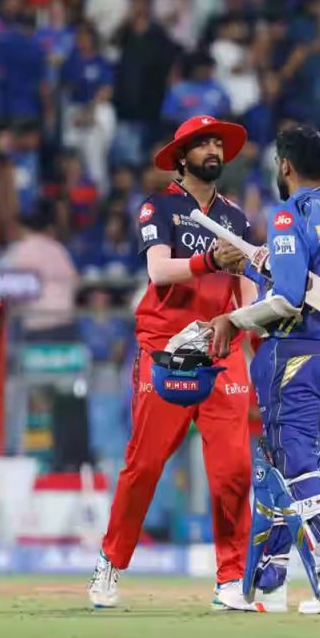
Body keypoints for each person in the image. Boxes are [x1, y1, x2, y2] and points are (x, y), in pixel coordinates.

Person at [88, 115, 255, 609]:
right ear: (181, 157)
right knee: (144, 465)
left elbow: (246, 292)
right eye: (202, 144)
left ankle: (230, 579)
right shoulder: (158, 206)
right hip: (167, 349)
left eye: (217, 143)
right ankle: (111, 562)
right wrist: (210, 261)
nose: (213, 151)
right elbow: (158, 270)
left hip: (221, 351)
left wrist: (246, 322)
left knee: (233, 469)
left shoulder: (236, 218)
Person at [211, 125, 320, 614]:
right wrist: (252, 267)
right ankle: (271, 582)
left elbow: (289, 300)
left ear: (285, 165)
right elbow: (311, 287)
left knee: (296, 464)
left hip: (291, 355)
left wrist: (233, 319)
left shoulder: (287, 215)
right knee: (277, 463)